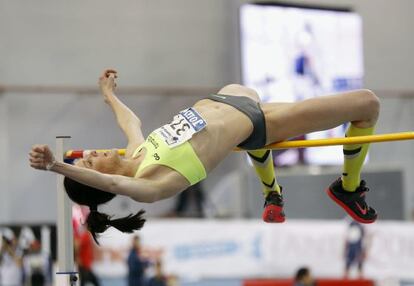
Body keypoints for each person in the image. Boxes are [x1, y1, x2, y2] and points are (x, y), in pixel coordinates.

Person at [29, 69, 380, 241]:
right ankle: (348, 188)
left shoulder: (139, 151)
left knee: (245, 106)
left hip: (232, 99)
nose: (92, 153)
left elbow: (129, 120)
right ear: (105, 185)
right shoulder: (153, 184)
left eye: (87, 155)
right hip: (257, 123)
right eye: (91, 161)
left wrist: (108, 95)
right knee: (366, 104)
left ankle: (271, 191)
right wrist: (57, 165)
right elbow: (107, 179)